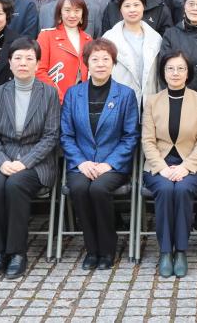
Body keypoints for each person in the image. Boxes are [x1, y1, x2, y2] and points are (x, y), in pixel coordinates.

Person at [0, 37, 60, 279]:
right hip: (2, 159)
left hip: (36, 162)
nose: (23, 63)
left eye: (29, 58)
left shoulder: (49, 93)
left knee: (15, 185)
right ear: (10, 62)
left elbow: (51, 136)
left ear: (37, 63)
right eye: (18, 58)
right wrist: (2, 161)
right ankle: (0, 250)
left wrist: (25, 162)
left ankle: (17, 252)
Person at [61, 39, 140, 270]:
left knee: (98, 189)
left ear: (113, 63)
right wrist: (81, 162)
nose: (101, 64)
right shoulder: (73, 94)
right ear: (87, 63)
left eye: (106, 59)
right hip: (81, 163)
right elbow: (66, 135)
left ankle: (107, 249)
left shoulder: (125, 95)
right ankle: (91, 248)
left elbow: (130, 136)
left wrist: (109, 164)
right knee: (78, 188)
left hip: (113, 165)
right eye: (95, 59)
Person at [142, 52, 197, 278]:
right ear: (163, 72)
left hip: (192, 165)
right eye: (170, 68)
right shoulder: (152, 101)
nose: (175, 73)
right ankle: (165, 251)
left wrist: (186, 167)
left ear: (188, 72)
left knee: (181, 189)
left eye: (181, 68)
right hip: (159, 164)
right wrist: (162, 168)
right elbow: (147, 140)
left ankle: (181, 251)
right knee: (164, 189)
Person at [102, 0, 163, 104]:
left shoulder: (155, 38)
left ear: (143, 7)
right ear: (120, 10)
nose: (132, 10)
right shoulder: (108, 38)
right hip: (118, 101)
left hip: (148, 101)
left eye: (136, 5)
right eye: (127, 6)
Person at [37, 0, 92, 102]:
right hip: (53, 100)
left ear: (83, 14)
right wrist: (60, 97)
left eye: (77, 10)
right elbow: (39, 71)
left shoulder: (88, 39)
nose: (72, 15)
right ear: (60, 13)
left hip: (81, 101)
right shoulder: (46, 36)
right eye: (67, 10)